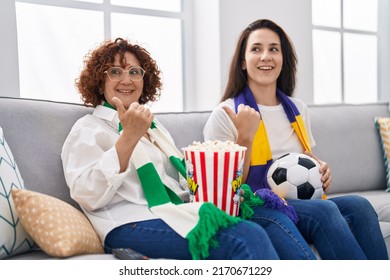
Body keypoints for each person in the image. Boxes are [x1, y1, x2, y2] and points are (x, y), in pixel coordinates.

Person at [61, 37, 281, 260]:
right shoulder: (88, 129)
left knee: (273, 217)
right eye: (115, 72)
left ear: (144, 80)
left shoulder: (156, 128)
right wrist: (128, 138)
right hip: (129, 223)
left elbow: (183, 182)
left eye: (135, 72)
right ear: (100, 81)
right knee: (246, 236)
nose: (126, 79)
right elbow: (86, 193)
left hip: (179, 209)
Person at [203, 19, 388, 260]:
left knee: (360, 206)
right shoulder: (225, 113)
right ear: (242, 61)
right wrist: (245, 138)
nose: (265, 56)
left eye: (274, 49)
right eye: (256, 49)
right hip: (254, 206)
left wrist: (320, 170)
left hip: (297, 202)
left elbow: (304, 159)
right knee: (324, 210)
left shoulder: (297, 109)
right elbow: (227, 191)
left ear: (283, 59)